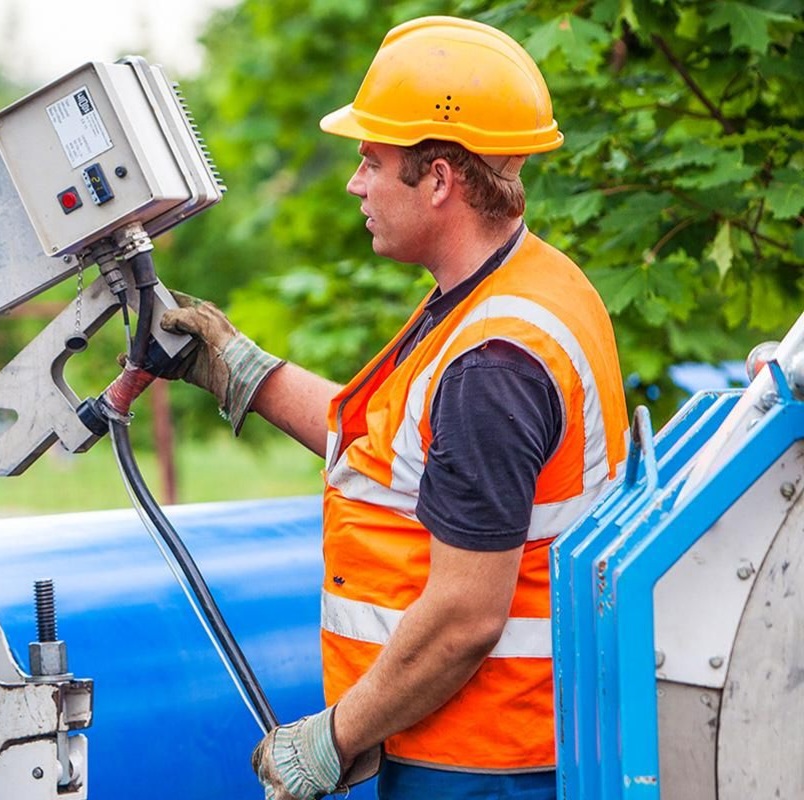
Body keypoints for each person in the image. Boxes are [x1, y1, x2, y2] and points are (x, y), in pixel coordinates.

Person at [157, 15, 629, 800]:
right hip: (483, 746)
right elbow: (390, 451)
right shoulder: (515, 287)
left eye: (371, 162)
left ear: (440, 178)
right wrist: (239, 369)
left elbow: (463, 618)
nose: (355, 183)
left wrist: (334, 736)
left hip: (486, 763)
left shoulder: (494, 364)